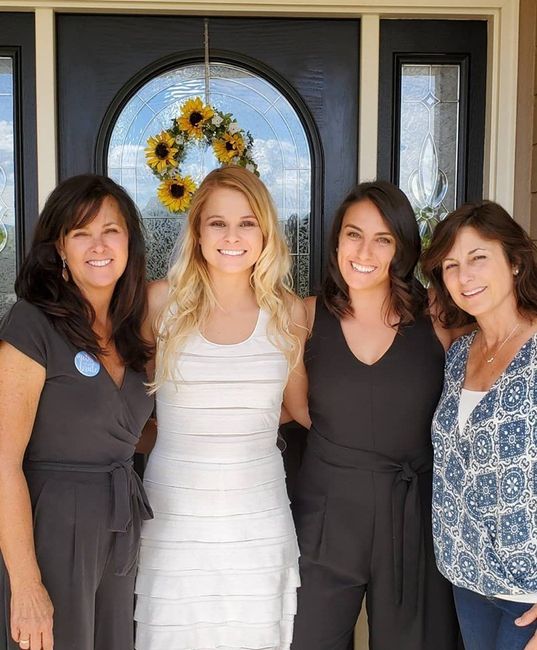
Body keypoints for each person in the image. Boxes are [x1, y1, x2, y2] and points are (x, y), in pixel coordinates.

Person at [134, 166, 308, 650]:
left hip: (257, 515)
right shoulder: (159, 304)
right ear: (197, 231)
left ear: (266, 232)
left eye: (247, 222)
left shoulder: (288, 312)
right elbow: (134, 404)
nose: (232, 236)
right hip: (174, 516)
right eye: (218, 223)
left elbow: (294, 409)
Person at [290, 180, 462, 650]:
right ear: (336, 241)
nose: (364, 250)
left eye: (383, 238)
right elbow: (301, 410)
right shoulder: (305, 316)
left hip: (412, 514)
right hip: (326, 512)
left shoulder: (438, 313)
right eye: (353, 234)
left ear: (401, 249)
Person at [0, 174, 154, 650]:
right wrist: (25, 584)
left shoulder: (136, 329)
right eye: (80, 233)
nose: (98, 245)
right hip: (53, 527)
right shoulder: (32, 322)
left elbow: (129, 432)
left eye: (110, 230)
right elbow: (3, 462)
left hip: (119, 527)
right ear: (60, 248)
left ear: (129, 241)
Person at [421, 200, 537, 650]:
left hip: (526, 593)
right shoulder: (458, 356)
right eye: (450, 265)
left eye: (478, 258)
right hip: (467, 578)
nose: (463, 276)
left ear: (514, 262)